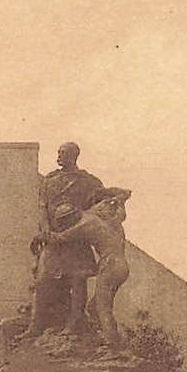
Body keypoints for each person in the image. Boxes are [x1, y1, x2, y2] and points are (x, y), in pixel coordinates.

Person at [30, 141, 105, 338]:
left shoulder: (90, 182)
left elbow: (98, 212)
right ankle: (35, 326)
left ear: (74, 155)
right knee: (42, 281)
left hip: (77, 241)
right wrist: (46, 231)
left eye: (64, 152)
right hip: (53, 240)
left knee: (77, 281)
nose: (59, 156)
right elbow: (43, 209)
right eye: (59, 152)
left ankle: (74, 324)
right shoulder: (49, 181)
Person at [42, 191, 132, 347]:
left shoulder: (84, 225)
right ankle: (118, 341)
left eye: (65, 222)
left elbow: (59, 238)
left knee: (102, 308)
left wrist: (43, 234)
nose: (66, 225)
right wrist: (120, 201)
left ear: (70, 218)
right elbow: (121, 214)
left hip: (109, 265)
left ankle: (114, 348)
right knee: (93, 308)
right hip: (122, 267)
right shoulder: (108, 219)